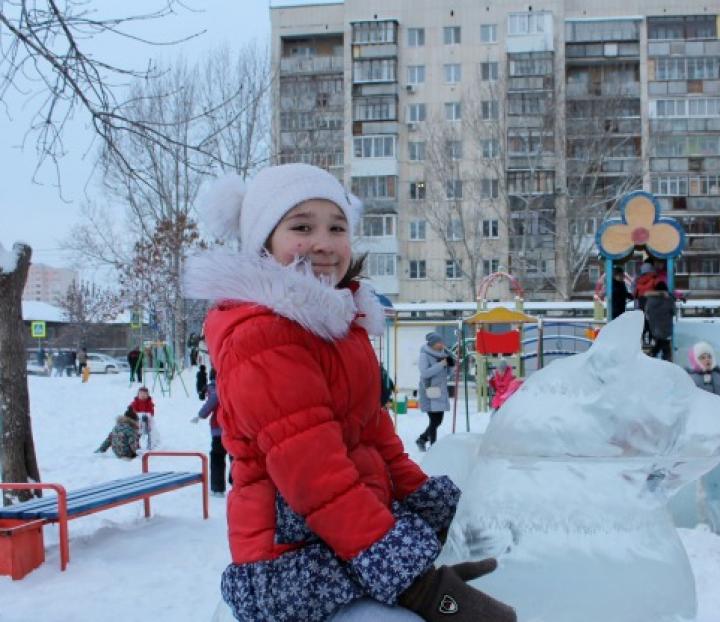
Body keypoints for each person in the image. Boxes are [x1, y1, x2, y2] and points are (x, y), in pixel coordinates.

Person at [182, 164, 514, 622]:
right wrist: (422, 586)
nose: (323, 242)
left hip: (347, 538)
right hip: (290, 560)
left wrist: (440, 511)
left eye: (336, 227)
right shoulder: (263, 336)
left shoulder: (337, 331)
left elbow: (377, 441)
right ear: (263, 244)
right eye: (301, 226)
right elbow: (316, 476)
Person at [191, 368, 227, 497]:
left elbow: (212, 401)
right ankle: (237, 483)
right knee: (236, 457)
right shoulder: (234, 383)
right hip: (237, 428)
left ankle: (218, 488)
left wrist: (201, 415)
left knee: (217, 456)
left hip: (219, 428)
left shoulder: (215, 388)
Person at [416, 332, 452, 452]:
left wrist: (450, 366)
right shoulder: (424, 355)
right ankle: (433, 446)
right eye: (439, 343)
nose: (442, 344)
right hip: (429, 391)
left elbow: (446, 374)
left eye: (442, 342)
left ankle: (422, 439)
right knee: (434, 420)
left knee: (438, 421)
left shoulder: (443, 354)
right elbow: (425, 372)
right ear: (432, 344)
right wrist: (441, 364)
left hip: (440, 391)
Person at [644, 281, 676, 362]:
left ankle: (652, 357)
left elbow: (647, 311)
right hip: (666, 327)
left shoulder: (650, 299)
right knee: (664, 344)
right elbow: (673, 311)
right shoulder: (669, 299)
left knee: (660, 342)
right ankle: (665, 361)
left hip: (654, 327)